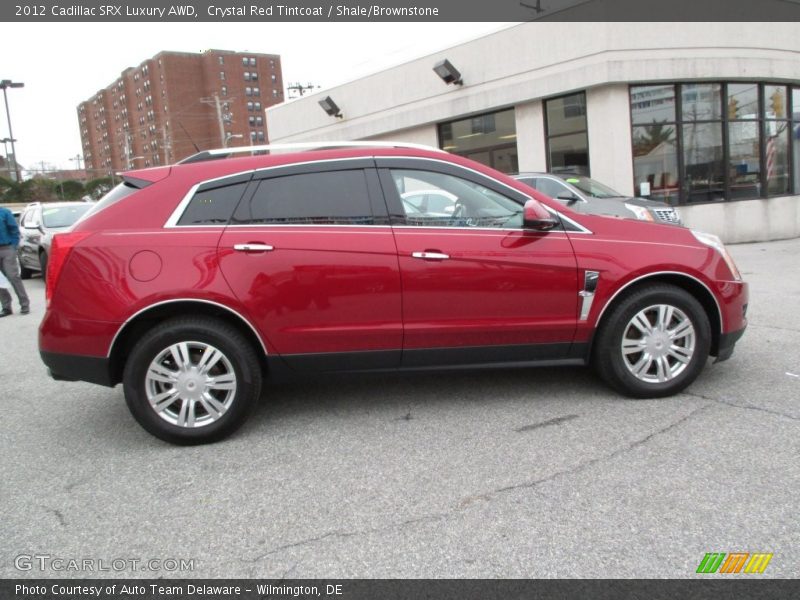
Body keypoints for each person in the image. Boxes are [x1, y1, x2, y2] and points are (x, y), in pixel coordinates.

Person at [0, 206, 29, 316]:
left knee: (13, 276)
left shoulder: (4, 212)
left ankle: (24, 304)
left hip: (7, 248)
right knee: (0, 280)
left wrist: (13, 246)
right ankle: (6, 307)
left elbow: (14, 229)